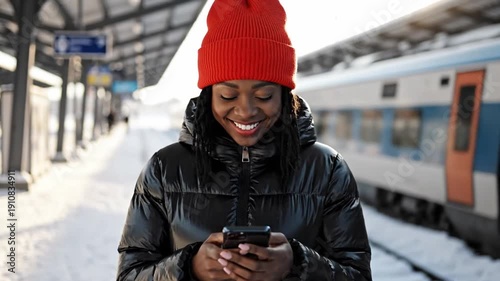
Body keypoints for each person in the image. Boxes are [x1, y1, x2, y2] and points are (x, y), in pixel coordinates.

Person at [116, 0, 372, 280]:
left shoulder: (328, 170)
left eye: (264, 96)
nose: (246, 110)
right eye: (228, 95)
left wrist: (297, 264)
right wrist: (190, 267)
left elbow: (357, 274)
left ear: (286, 98)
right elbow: (130, 274)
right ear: (208, 96)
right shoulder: (163, 170)